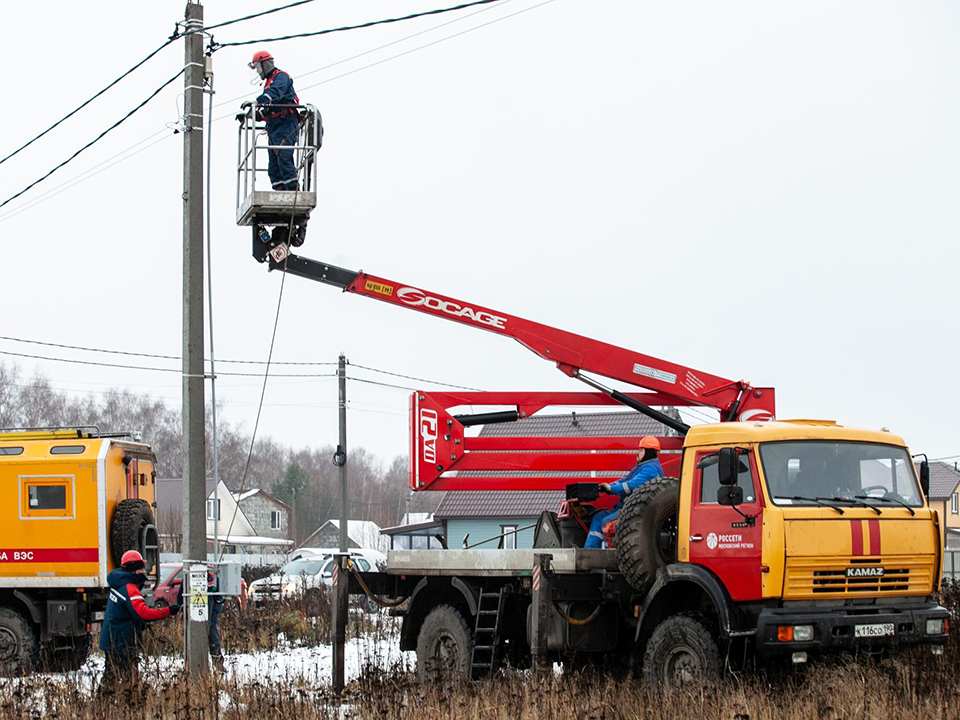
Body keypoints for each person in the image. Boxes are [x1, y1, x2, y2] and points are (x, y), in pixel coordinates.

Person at [99, 550, 179, 688]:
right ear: (135, 570)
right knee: (129, 680)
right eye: (142, 567)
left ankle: (103, 705)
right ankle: (130, 705)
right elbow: (143, 614)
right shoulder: (129, 589)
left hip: (113, 639)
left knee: (111, 677)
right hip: (122, 642)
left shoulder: (118, 584)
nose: (144, 571)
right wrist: (168, 611)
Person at [584, 436, 664, 549]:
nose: (638, 453)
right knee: (598, 518)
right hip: (625, 508)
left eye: (641, 450)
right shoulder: (642, 467)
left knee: (607, 522)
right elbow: (625, 480)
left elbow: (630, 485)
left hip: (637, 511)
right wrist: (608, 486)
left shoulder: (650, 469)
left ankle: (609, 558)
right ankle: (590, 552)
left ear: (648, 452)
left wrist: (611, 489)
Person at [249, 50, 300, 191]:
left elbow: (275, 95)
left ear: (265, 64)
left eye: (258, 67)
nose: (258, 71)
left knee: (284, 157)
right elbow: (268, 110)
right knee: (273, 166)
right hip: (274, 127)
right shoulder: (268, 83)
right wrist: (254, 115)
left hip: (286, 124)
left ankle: (292, 190)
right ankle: (280, 191)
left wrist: (257, 101)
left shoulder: (281, 77)